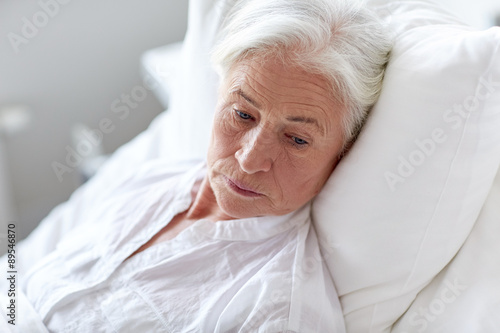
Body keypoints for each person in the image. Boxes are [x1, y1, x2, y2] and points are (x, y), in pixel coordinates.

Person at [2, 0, 391, 331]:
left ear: (342, 152)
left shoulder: (275, 312)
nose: (250, 158)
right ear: (219, 94)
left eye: (297, 139)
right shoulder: (152, 177)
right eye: (242, 114)